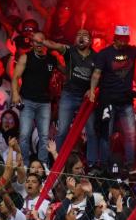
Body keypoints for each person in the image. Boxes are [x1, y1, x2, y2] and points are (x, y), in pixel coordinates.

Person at [89, 25, 136, 167]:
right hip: (108, 100)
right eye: (121, 40)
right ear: (115, 39)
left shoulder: (132, 51)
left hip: (126, 101)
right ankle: (104, 164)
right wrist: (92, 90)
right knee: (107, 134)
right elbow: (96, 73)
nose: (123, 43)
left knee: (130, 134)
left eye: (125, 40)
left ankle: (129, 164)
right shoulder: (104, 54)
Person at [39, 29, 99, 166]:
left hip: (86, 97)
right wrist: (41, 40)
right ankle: (58, 161)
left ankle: (91, 164)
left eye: (85, 35)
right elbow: (54, 45)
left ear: (90, 40)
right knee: (62, 130)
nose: (81, 38)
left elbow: (99, 76)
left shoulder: (96, 57)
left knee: (91, 130)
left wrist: (92, 89)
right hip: (69, 95)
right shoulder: (69, 51)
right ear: (74, 40)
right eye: (78, 35)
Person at [12, 31, 62, 165]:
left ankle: (42, 166)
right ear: (32, 43)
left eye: (41, 41)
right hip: (27, 100)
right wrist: (16, 94)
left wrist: (57, 51)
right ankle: (25, 165)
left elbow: (65, 69)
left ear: (45, 42)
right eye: (35, 41)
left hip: (45, 102)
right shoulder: (25, 57)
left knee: (44, 136)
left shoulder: (52, 59)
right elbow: (15, 77)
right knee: (24, 135)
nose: (38, 44)